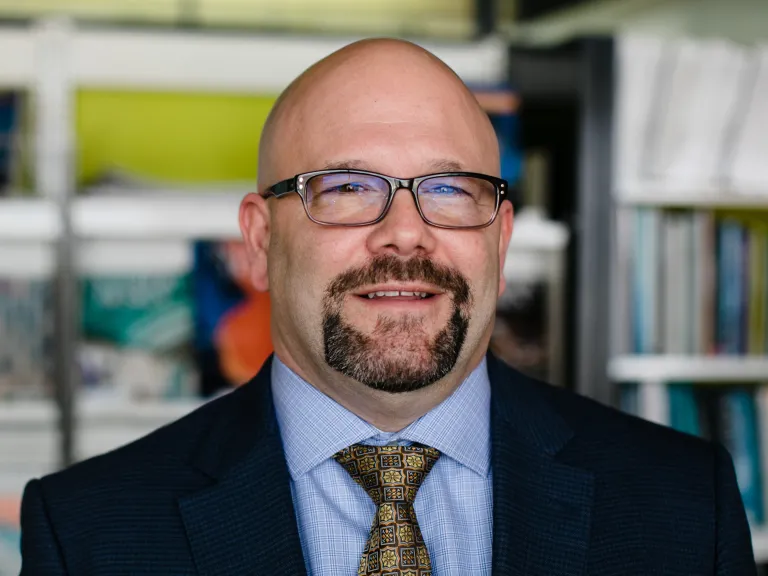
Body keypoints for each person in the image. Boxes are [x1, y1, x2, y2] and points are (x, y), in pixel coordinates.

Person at [19, 38, 754, 576]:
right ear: (259, 240)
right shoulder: (90, 534)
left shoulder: (683, 507)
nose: (406, 233)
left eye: (450, 189)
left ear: (499, 238)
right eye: (346, 187)